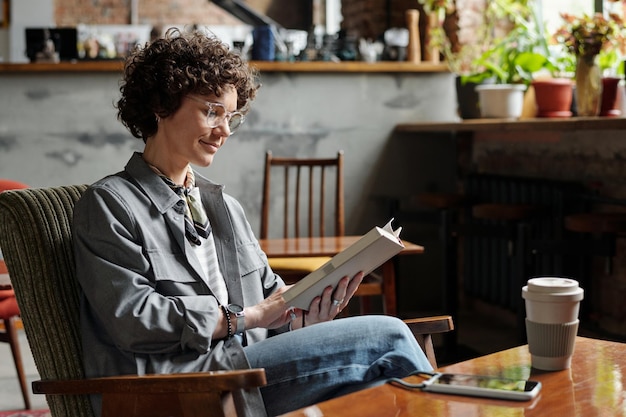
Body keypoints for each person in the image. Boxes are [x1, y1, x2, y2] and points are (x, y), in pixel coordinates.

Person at [72, 27, 433, 417]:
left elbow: (271, 305)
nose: (224, 130)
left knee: (380, 383)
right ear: (161, 105)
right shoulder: (110, 204)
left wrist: (306, 315)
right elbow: (134, 320)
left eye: (231, 117)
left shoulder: (224, 206)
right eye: (211, 111)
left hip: (246, 370)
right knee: (389, 337)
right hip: (181, 386)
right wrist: (245, 318)